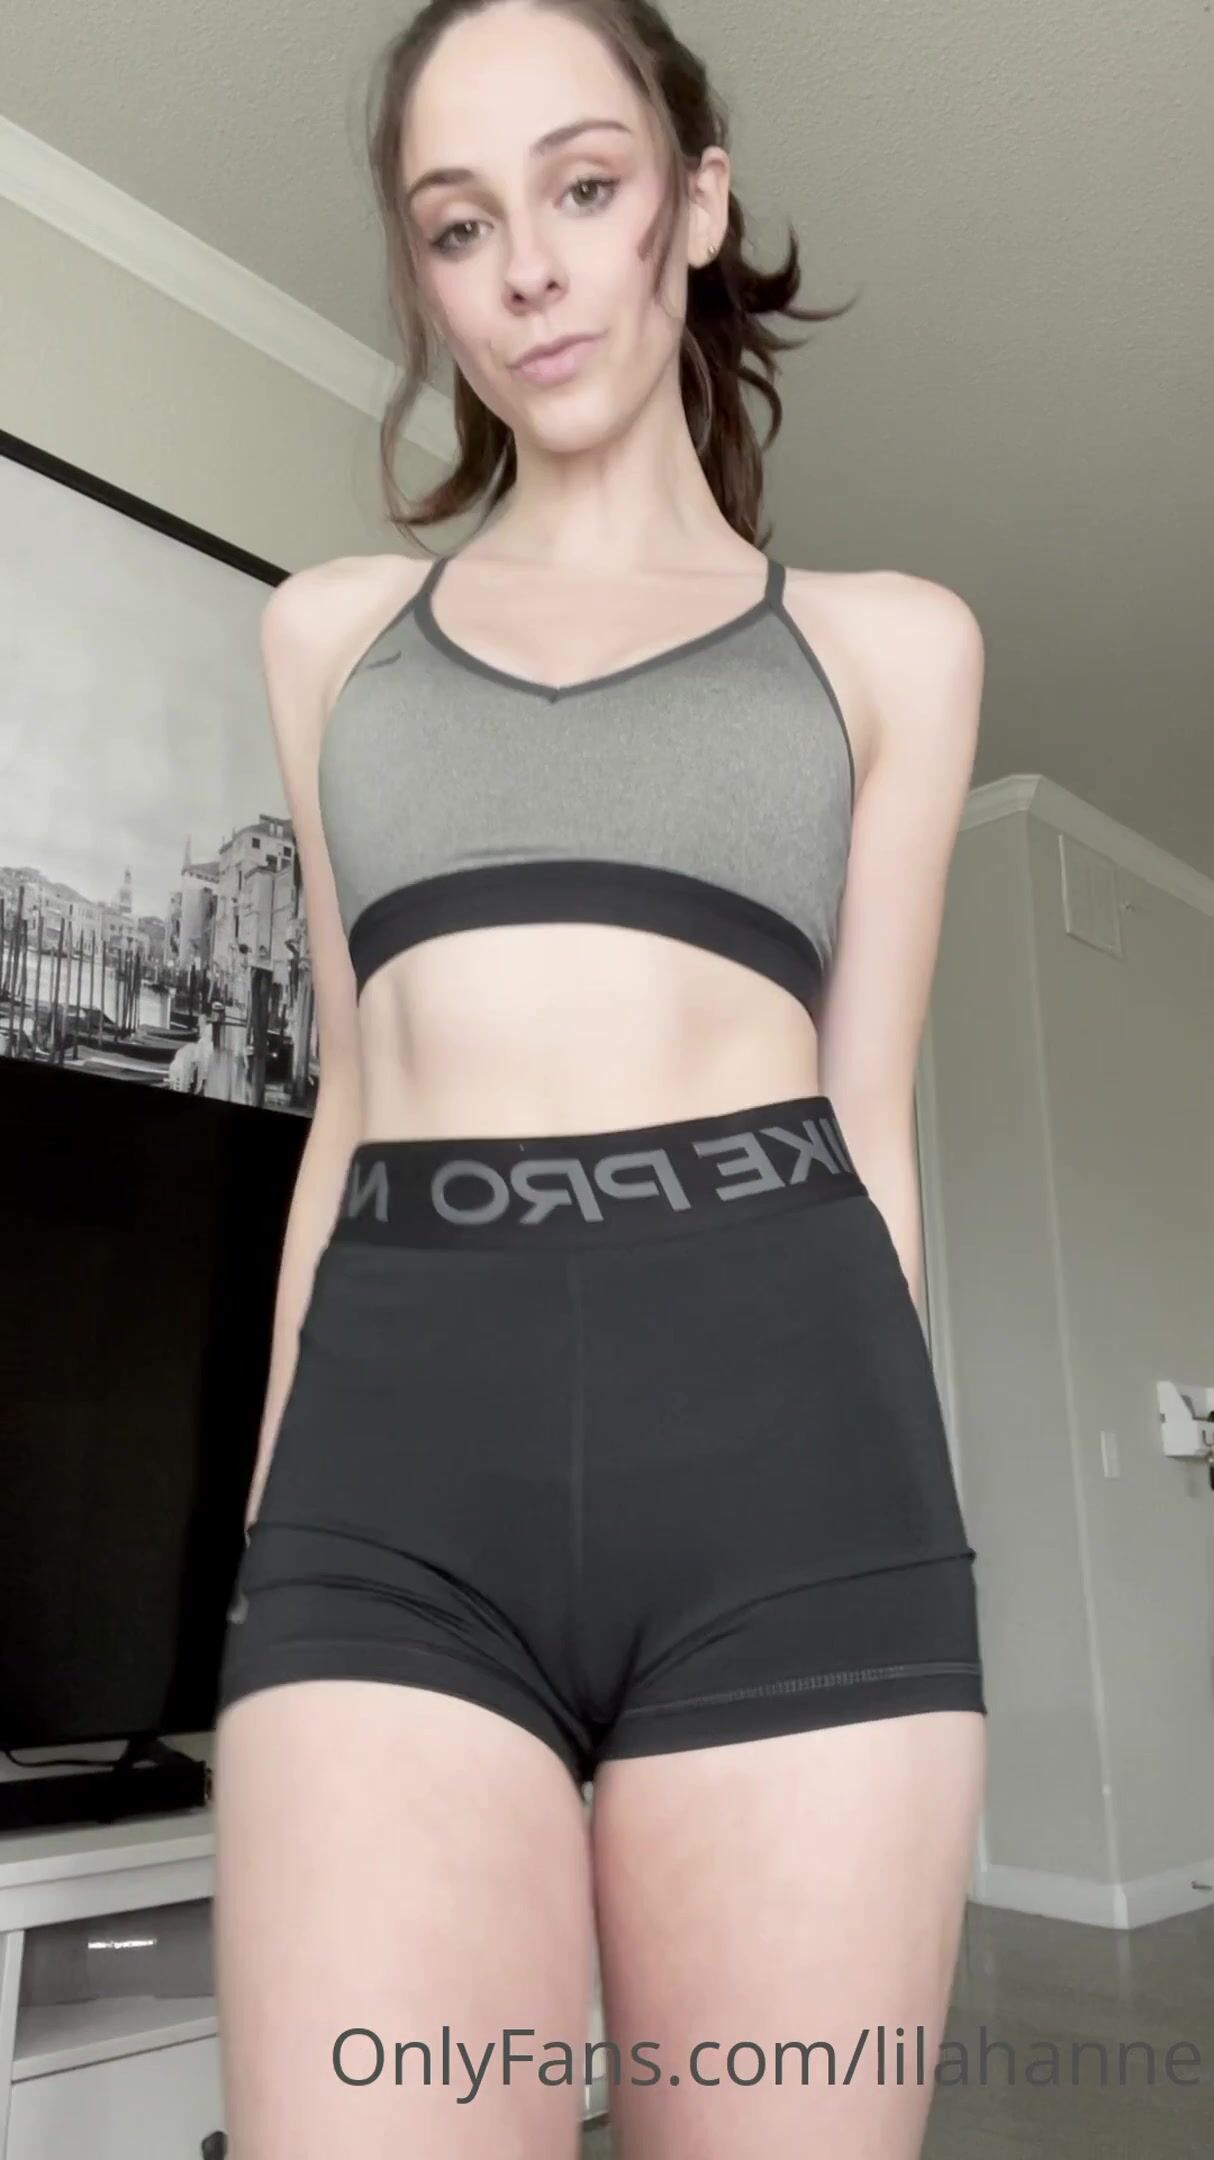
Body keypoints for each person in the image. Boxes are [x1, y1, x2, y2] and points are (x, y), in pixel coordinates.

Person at [212, 3, 988, 2155]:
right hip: (390, 1484)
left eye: (582, 186)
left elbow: (869, 1135)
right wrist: (278, 1533)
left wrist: (886, 1529)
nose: (527, 270)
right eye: (458, 224)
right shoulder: (331, 637)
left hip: (791, 1476)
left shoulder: (886, 645)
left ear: (694, 203)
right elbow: (352, 1107)